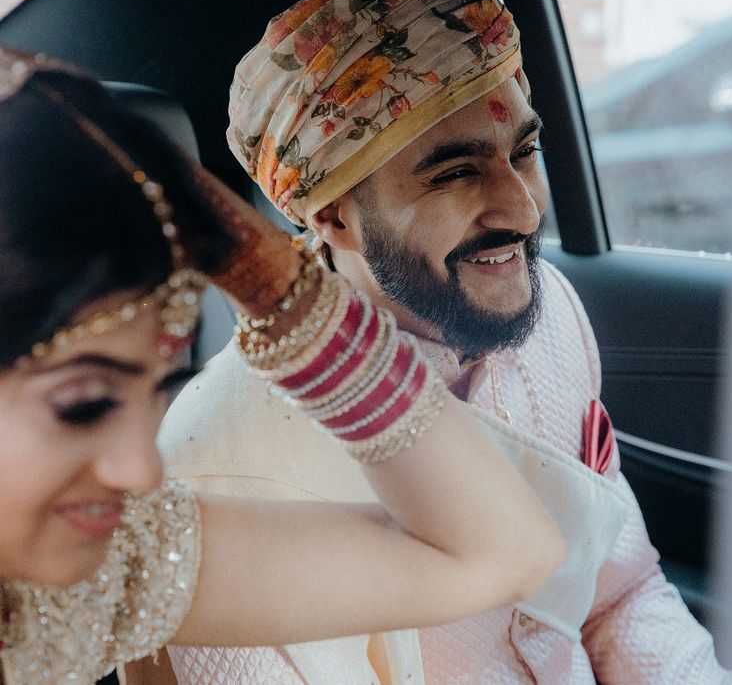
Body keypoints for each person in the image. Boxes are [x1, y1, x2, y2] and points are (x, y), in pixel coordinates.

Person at [154, 0, 732, 683]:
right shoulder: (225, 469)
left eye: (524, 151)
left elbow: (621, 592)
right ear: (335, 217)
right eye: (457, 172)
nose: (524, 211)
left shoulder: (549, 309)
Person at [0, 46, 568, 685]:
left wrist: (271, 279)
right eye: (83, 405)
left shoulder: (113, 575)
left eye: (159, 392)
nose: (143, 470)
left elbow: (508, 553)